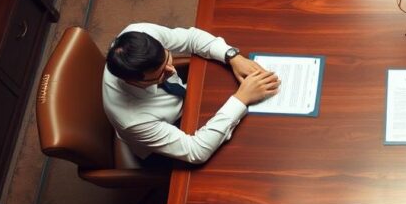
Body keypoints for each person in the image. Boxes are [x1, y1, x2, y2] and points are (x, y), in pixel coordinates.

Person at [103, 23, 280, 165]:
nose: (172, 71)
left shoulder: (139, 33)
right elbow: (196, 152)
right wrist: (241, 99)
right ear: (134, 81)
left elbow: (191, 38)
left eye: (168, 58)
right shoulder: (134, 121)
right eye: (161, 74)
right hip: (168, 138)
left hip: (188, 101)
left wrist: (232, 56)